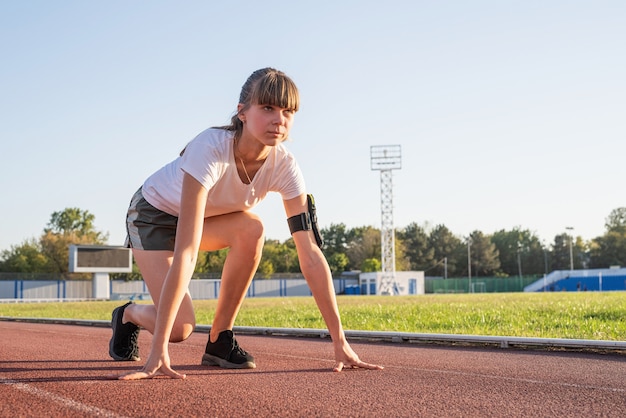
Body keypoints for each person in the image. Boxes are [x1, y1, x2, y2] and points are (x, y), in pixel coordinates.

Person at [110, 68, 383, 380]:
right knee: (178, 328)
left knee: (253, 229)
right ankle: (129, 314)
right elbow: (186, 251)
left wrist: (340, 342)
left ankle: (219, 340)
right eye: (267, 108)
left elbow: (310, 254)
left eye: (288, 111)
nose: (278, 119)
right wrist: (159, 349)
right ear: (242, 112)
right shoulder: (209, 149)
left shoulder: (285, 167)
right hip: (153, 217)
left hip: (206, 220)